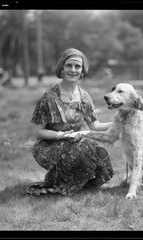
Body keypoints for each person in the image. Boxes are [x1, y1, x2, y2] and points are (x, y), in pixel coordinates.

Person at [26, 48, 113, 196]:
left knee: (98, 152)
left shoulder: (84, 97)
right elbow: (38, 132)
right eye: (69, 65)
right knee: (86, 145)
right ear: (62, 68)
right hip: (48, 147)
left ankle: (77, 183)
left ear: (82, 70)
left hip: (74, 144)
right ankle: (62, 182)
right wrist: (61, 135)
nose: (73, 70)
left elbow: (95, 126)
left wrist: (119, 122)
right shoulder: (49, 97)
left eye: (77, 66)